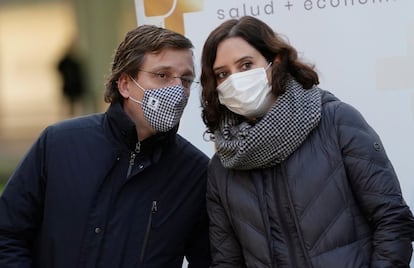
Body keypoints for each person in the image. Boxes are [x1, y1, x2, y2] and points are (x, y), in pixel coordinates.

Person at [200, 16, 414, 267]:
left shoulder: (336, 122)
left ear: (275, 61)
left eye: (246, 65)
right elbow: (227, 261)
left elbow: (391, 220)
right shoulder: (223, 166)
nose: (234, 80)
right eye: (222, 74)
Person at [0, 25, 211, 268]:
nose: (177, 90)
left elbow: (208, 260)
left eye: (185, 80)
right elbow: (7, 235)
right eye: (162, 75)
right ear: (125, 84)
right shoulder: (59, 145)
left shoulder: (194, 172)